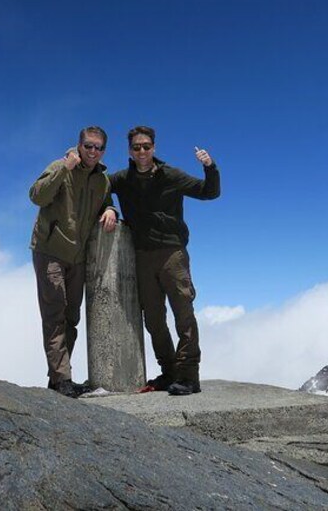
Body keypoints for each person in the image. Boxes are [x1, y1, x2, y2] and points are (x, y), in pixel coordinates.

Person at [109, 126, 220, 396]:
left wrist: (210, 166)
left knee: (183, 313)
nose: (142, 151)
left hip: (172, 254)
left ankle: (189, 376)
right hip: (142, 255)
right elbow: (97, 186)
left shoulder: (171, 175)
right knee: (154, 320)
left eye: (147, 146)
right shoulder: (123, 179)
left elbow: (209, 192)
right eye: (137, 147)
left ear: (154, 148)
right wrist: (109, 207)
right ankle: (170, 371)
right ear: (129, 151)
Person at [29, 126, 118, 398]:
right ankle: (62, 379)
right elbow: (37, 196)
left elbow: (105, 200)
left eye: (98, 148)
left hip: (77, 257)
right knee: (55, 315)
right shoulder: (61, 166)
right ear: (79, 145)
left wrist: (111, 209)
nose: (93, 152)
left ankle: (57, 379)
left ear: (104, 151)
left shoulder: (101, 179)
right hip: (51, 251)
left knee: (71, 318)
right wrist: (63, 169)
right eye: (88, 146)